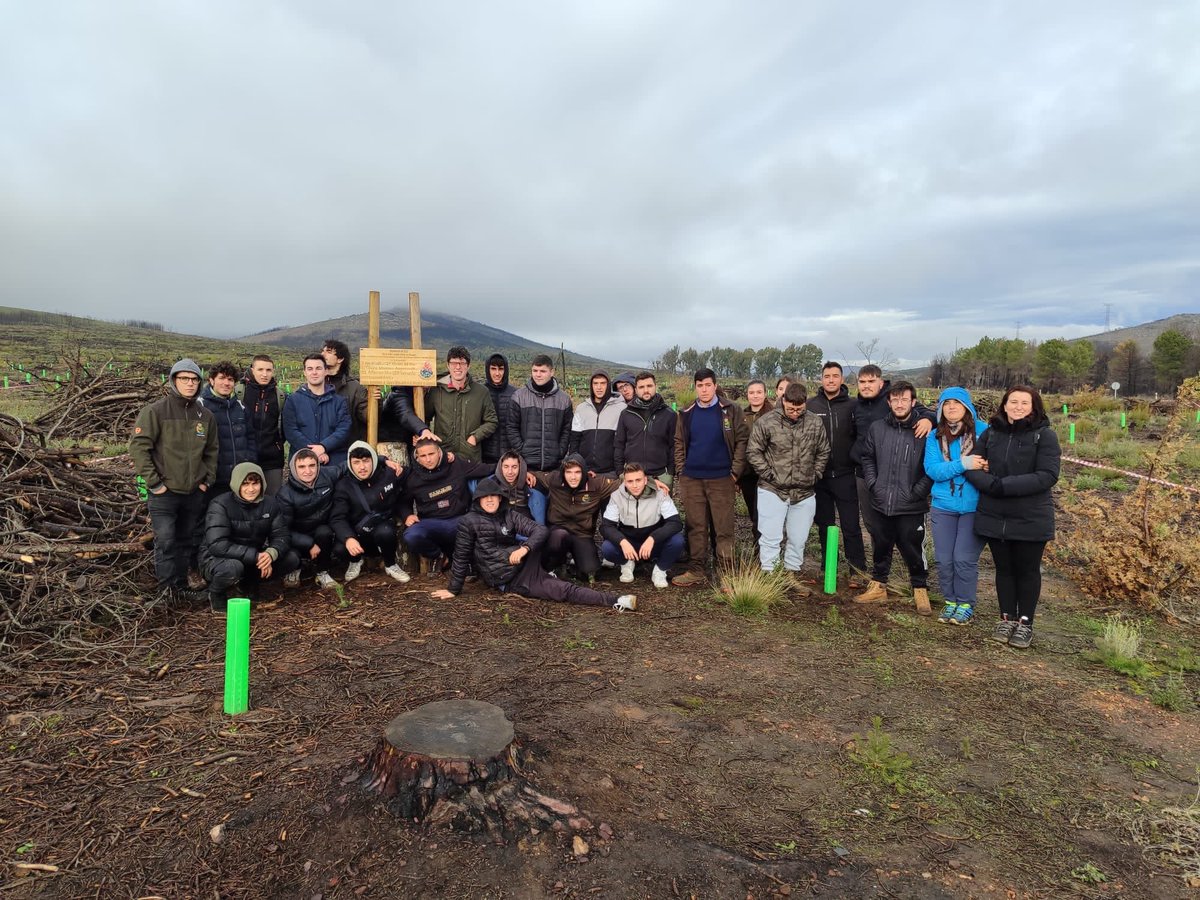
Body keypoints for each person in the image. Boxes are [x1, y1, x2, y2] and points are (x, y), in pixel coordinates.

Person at [431, 478, 637, 611]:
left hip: (525, 559)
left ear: (500, 498)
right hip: (510, 577)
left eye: (494, 496)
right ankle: (617, 600)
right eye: (485, 497)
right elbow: (461, 555)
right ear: (478, 500)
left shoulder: (509, 514)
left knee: (555, 535)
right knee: (564, 590)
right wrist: (453, 589)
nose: (490, 500)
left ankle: (551, 570)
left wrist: (525, 548)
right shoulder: (469, 522)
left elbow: (539, 530)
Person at [965, 385, 1061, 648]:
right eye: (1013, 402)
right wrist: (989, 483)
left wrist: (1002, 486)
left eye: (1024, 403)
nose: (1018, 407)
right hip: (994, 514)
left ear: (1034, 407)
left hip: (1030, 515)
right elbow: (973, 465)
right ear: (1004, 405)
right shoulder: (991, 433)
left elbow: (1047, 475)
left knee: (1027, 570)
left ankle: (1025, 623)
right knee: (1004, 569)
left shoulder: (1045, 436)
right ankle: (1006, 618)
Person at [130, 358, 218, 603]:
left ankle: (181, 587)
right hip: (164, 493)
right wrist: (155, 483)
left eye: (194, 379)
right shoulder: (156, 411)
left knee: (185, 540)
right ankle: (166, 592)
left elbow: (212, 451)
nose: (189, 383)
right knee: (166, 541)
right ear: (173, 381)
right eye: (184, 379)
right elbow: (139, 448)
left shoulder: (205, 415)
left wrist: (206, 481)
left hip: (193, 492)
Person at [855, 381, 933, 614]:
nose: (899, 404)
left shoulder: (925, 431)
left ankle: (920, 589)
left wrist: (918, 492)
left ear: (913, 402)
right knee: (881, 544)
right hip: (881, 500)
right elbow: (868, 457)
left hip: (911, 504)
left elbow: (932, 466)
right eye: (895, 400)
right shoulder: (878, 428)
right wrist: (873, 484)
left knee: (913, 546)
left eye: (904, 399)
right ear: (889, 402)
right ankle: (878, 586)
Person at [746, 383, 830, 594]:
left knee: (798, 538)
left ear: (805, 403)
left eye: (799, 409)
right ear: (783, 400)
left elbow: (823, 451)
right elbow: (753, 451)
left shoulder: (815, 422)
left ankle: (791, 574)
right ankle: (770, 576)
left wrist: (815, 474)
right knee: (770, 536)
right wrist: (769, 474)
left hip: (804, 492)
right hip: (772, 489)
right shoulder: (767, 422)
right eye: (791, 409)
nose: (794, 413)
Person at [671, 368, 748, 587]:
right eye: (700, 386)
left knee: (724, 528)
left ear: (715, 386)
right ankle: (697, 569)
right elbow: (679, 442)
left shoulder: (731, 410)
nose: (704, 390)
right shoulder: (687, 412)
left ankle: (727, 572)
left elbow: (742, 441)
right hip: (692, 479)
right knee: (696, 526)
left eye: (708, 385)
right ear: (695, 387)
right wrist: (682, 471)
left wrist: (735, 472)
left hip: (722, 478)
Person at [850, 365, 934, 554]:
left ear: (881, 382)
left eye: (871, 381)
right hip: (865, 474)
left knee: (903, 530)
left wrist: (928, 419)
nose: (866, 385)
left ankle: (910, 562)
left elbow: (928, 412)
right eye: (862, 382)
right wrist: (872, 482)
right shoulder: (856, 405)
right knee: (873, 524)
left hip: (896, 475)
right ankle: (880, 562)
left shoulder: (894, 399)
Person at [924, 387, 989, 625]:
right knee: (943, 558)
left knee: (963, 558)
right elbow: (933, 470)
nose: (951, 407)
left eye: (957, 403)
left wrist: (984, 466)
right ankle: (950, 601)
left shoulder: (984, 432)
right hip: (944, 505)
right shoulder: (935, 436)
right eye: (946, 403)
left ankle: (965, 604)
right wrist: (964, 463)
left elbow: (992, 463)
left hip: (974, 506)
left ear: (967, 407)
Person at [199, 462, 299, 613]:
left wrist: (270, 554)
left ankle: (247, 586)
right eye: (245, 484)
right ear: (236, 484)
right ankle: (216, 594)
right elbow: (218, 545)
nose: (251, 489)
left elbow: (282, 535)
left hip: (252, 556)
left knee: (291, 558)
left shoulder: (270, 503)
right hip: (217, 559)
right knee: (233, 567)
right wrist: (256, 556)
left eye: (255, 483)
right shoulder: (220, 504)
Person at [808, 361, 868, 579]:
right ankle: (828, 567)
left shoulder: (854, 405)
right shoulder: (811, 405)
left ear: (842, 379)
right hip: (820, 477)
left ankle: (857, 570)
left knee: (851, 525)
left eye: (835, 376)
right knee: (824, 525)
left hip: (845, 475)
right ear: (821, 379)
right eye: (827, 376)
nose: (831, 380)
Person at [400, 437, 494, 565]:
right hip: (431, 523)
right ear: (417, 457)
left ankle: (471, 563)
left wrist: (516, 469)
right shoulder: (413, 478)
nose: (428, 459)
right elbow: (403, 501)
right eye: (423, 456)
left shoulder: (456, 465)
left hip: (460, 520)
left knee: (481, 526)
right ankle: (441, 558)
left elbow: (487, 469)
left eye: (431, 454)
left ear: (439, 452)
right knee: (411, 535)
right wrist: (407, 515)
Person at [330, 441, 410, 583]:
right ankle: (355, 561)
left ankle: (390, 564)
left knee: (386, 531)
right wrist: (349, 538)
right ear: (349, 464)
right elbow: (337, 518)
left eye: (366, 461)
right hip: (357, 532)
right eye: (356, 462)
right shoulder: (343, 485)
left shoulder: (389, 474)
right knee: (339, 549)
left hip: (381, 528)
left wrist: (446, 459)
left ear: (373, 460)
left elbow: (416, 473)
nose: (362, 467)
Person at [536, 453, 622, 581]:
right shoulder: (554, 479)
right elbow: (536, 475)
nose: (573, 477)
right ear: (563, 473)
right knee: (558, 537)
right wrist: (527, 475)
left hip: (582, 534)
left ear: (584, 472)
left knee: (590, 573)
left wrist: (649, 481)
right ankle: (554, 566)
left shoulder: (596, 484)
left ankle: (578, 566)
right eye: (569, 472)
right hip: (558, 529)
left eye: (577, 472)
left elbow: (624, 482)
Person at [600, 463, 685, 589]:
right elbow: (606, 526)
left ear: (645, 480)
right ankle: (627, 563)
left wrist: (653, 538)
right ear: (625, 482)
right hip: (630, 543)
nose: (635, 485)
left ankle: (660, 570)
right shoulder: (616, 496)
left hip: (653, 543)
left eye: (638, 480)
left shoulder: (660, 494)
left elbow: (675, 523)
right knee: (607, 548)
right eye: (630, 481)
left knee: (677, 541)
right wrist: (623, 542)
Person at [276, 448, 342, 589]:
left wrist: (382, 460)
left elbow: (347, 466)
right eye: (302, 467)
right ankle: (295, 569)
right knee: (292, 555)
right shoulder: (285, 494)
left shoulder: (326, 475)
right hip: (296, 536)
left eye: (312, 465)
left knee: (325, 532)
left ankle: (322, 571)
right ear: (294, 469)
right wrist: (309, 544)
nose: (308, 471)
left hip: (319, 532)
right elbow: (282, 530)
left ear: (318, 466)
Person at [425, 346, 497, 463]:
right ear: (448, 365)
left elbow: (492, 421)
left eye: (462, 363)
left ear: (468, 366)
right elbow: (425, 417)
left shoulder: (481, 392)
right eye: (454, 363)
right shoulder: (436, 391)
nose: (458, 367)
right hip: (443, 455)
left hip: (470, 457)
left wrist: (474, 437)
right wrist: (426, 438)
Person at [506, 354, 573, 473]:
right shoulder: (519, 397)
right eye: (535, 370)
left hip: (554, 467)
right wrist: (522, 451)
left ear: (552, 372)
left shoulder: (564, 400)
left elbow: (567, 429)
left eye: (542, 371)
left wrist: (560, 451)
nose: (538, 374)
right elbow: (511, 427)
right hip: (526, 467)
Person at [198, 361, 257, 497]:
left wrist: (250, 461)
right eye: (222, 378)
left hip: (240, 477)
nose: (226, 383)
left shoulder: (241, 407)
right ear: (211, 380)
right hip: (213, 480)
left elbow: (250, 438)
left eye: (230, 379)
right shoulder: (201, 406)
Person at [283, 354, 352, 467]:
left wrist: (324, 447)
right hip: (303, 464)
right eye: (310, 369)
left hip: (334, 464)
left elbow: (343, 429)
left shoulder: (339, 402)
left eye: (318, 368)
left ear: (326, 371)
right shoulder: (293, 400)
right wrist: (313, 452)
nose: (314, 372)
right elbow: (290, 431)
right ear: (305, 372)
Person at [613, 371, 677, 484]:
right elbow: (619, 445)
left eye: (649, 386)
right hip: (633, 476)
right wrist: (620, 472)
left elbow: (674, 446)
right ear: (636, 389)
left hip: (661, 475)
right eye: (641, 387)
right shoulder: (626, 414)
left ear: (655, 386)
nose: (646, 390)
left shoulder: (669, 414)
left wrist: (670, 473)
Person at [238, 355, 286, 496]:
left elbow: (284, 426)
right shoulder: (240, 393)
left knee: (273, 499)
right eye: (260, 369)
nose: (264, 374)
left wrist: (277, 445)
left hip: (272, 459)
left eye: (268, 370)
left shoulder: (280, 396)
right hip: (244, 457)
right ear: (252, 370)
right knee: (247, 497)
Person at [568, 369, 625, 476]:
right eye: (595, 383)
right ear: (591, 385)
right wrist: (575, 466)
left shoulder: (621, 408)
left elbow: (624, 442)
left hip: (611, 471)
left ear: (608, 385)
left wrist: (619, 470)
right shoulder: (581, 408)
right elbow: (574, 440)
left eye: (603, 383)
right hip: (584, 470)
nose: (599, 387)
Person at [738, 379, 773, 542]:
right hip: (747, 472)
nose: (755, 396)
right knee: (753, 510)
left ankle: (762, 546)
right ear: (747, 395)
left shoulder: (773, 415)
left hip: (767, 472)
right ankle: (759, 541)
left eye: (759, 392)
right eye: (751, 392)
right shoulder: (741, 416)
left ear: (765, 394)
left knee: (763, 512)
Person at [322, 339, 369, 446]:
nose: (322, 354)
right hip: (319, 447)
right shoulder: (315, 384)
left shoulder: (355, 387)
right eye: (322, 351)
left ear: (340, 359)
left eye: (328, 352)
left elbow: (367, 417)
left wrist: (376, 401)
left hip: (346, 447)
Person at [480, 353, 516, 464]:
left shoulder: (515, 394)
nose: (497, 373)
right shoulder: (480, 393)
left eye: (501, 369)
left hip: (509, 458)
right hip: (484, 457)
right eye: (493, 369)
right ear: (487, 370)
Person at [494, 449, 547, 524]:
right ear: (500, 468)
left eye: (514, 467)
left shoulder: (533, 484)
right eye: (506, 467)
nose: (510, 472)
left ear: (520, 468)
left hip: (528, 525)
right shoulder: (492, 485)